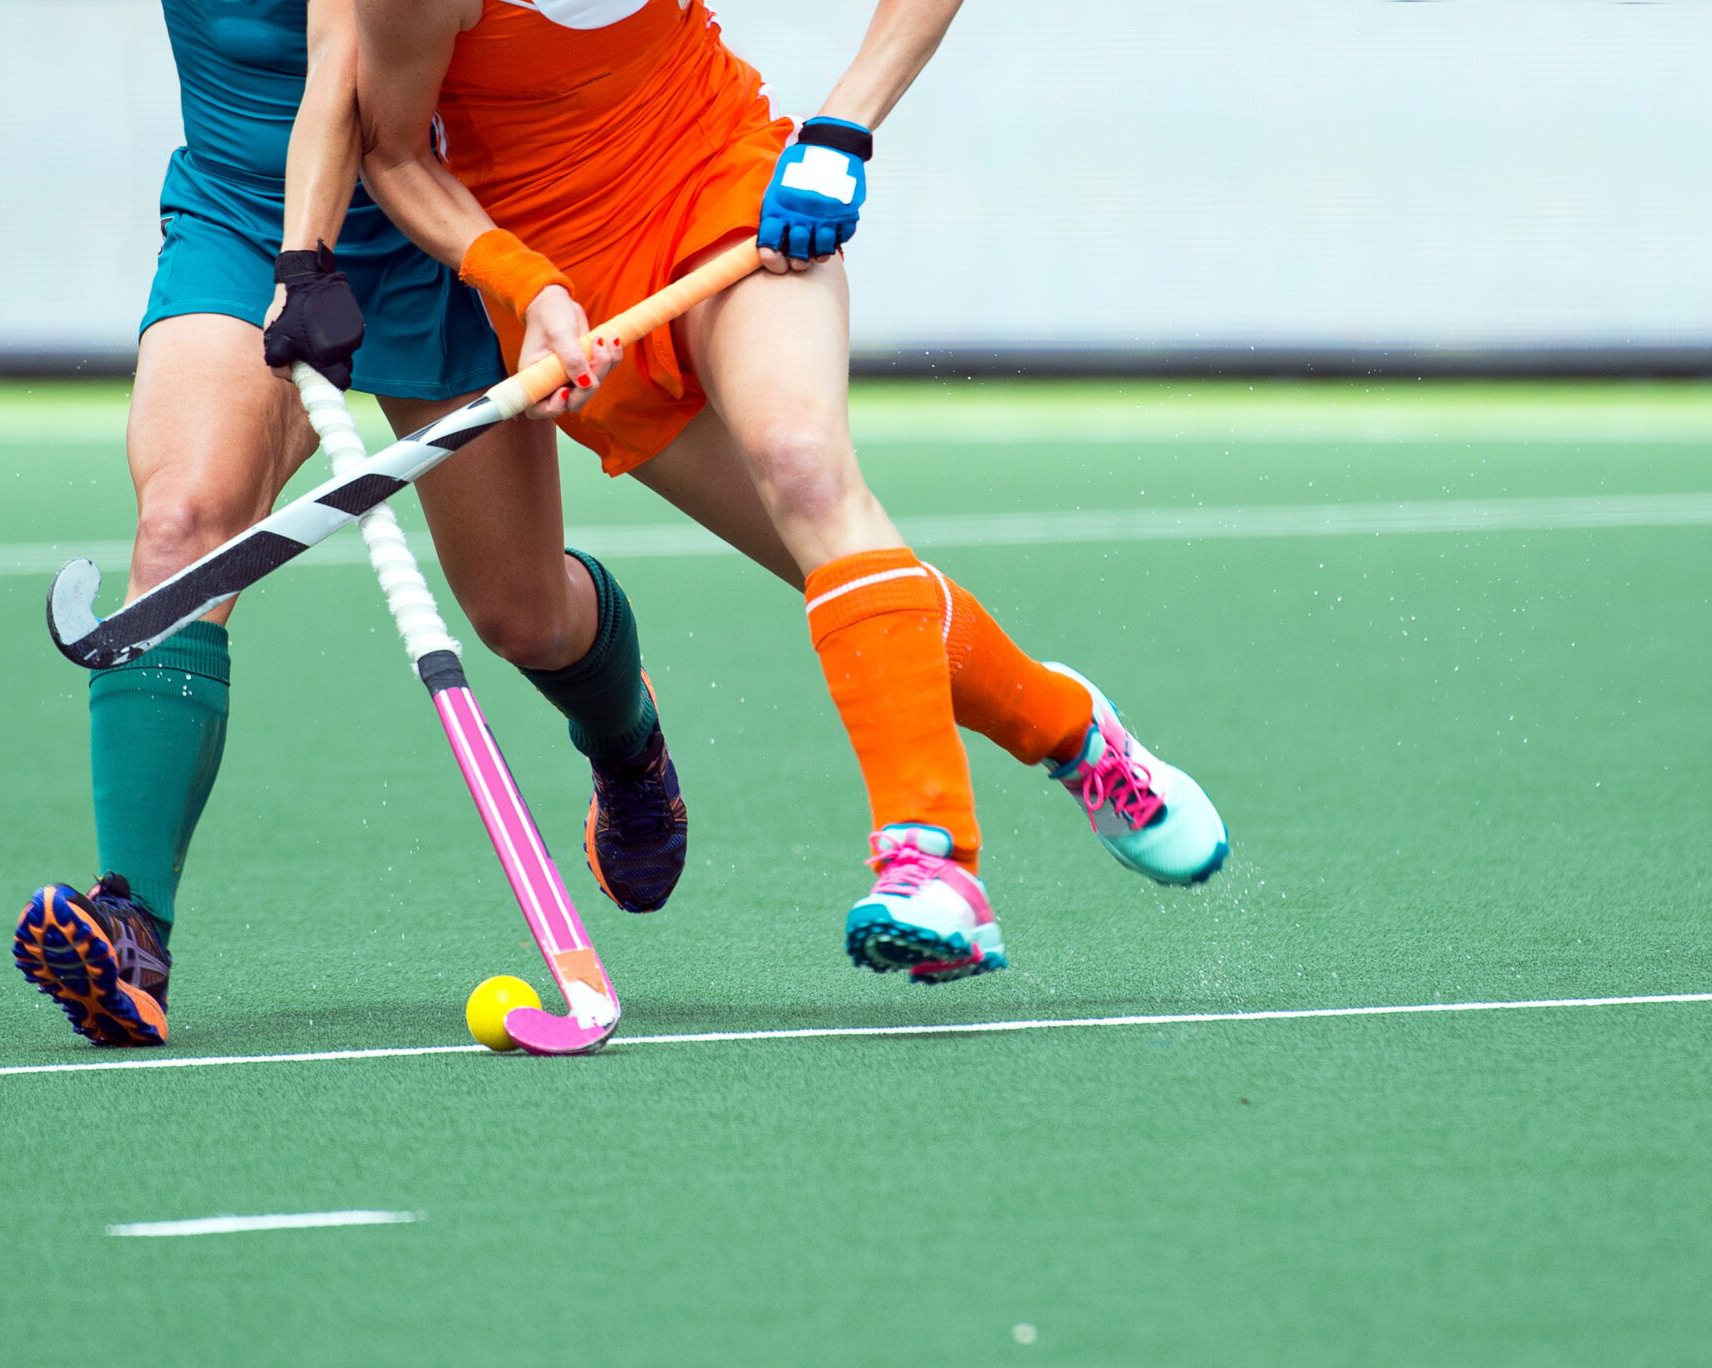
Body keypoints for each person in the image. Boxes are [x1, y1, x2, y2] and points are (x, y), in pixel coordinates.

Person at [279, 0, 1233, 984]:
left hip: (720, 184)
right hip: (578, 295)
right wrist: (527, 286)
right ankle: (1070, 731)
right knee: (841, 573)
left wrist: (838, 130)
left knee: (804, 467)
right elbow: (393, 153)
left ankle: (930, 860)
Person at [11, 0, 693, 1049]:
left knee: (522, 616)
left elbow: (342, 61)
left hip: (435, 224)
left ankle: (626, 743)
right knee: (184, 522)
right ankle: (130, 930)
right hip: (244, 214)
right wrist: (287, 257)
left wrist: (311, 263)